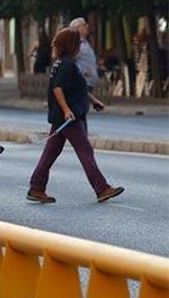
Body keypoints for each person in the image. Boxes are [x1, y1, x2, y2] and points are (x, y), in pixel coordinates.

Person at [26, 28, 124, 204]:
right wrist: (66, 110)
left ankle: (36, 187)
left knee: (50, 153)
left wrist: (93, 101)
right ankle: (102, 188)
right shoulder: (67, 65)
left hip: (63, 117)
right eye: (77, 43)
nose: (79, 47)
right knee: (85, 150)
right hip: (69, 118)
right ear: (71, 45)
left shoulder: (63, 63)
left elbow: (77, 88)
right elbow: (58, 89)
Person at [67, 17, 99, 90]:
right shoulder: (75, 44)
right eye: (84, 25)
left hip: (88, 83)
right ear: (78, 28)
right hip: (80, 83)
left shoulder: (85, 43)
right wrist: (83, 71)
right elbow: (69, 62)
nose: (87, 26)